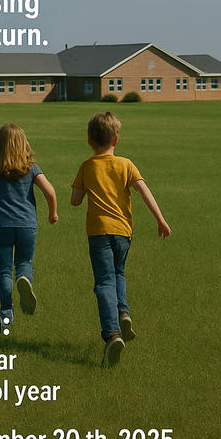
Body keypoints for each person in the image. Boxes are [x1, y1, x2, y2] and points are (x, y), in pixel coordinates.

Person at [71, 111, 171, 367]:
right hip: (124, 232)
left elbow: (75, 200)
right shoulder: (127, 165)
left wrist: (85, 190)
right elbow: (144, 191)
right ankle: (123, 312)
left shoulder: (86, 166)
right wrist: (160, 220)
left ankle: (112, 334)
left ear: (89, 140)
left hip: (98, 232)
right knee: (118, 274)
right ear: (116, 139)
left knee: (104, 281)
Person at [0, 123, 58, 328]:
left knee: (4, 271)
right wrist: (53, 213)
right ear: (23, 143)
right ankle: (24, 278)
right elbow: (50, 192)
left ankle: (6, 314)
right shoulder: (31, 167)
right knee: (24, 263)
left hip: (0, 225)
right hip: (26, 225)